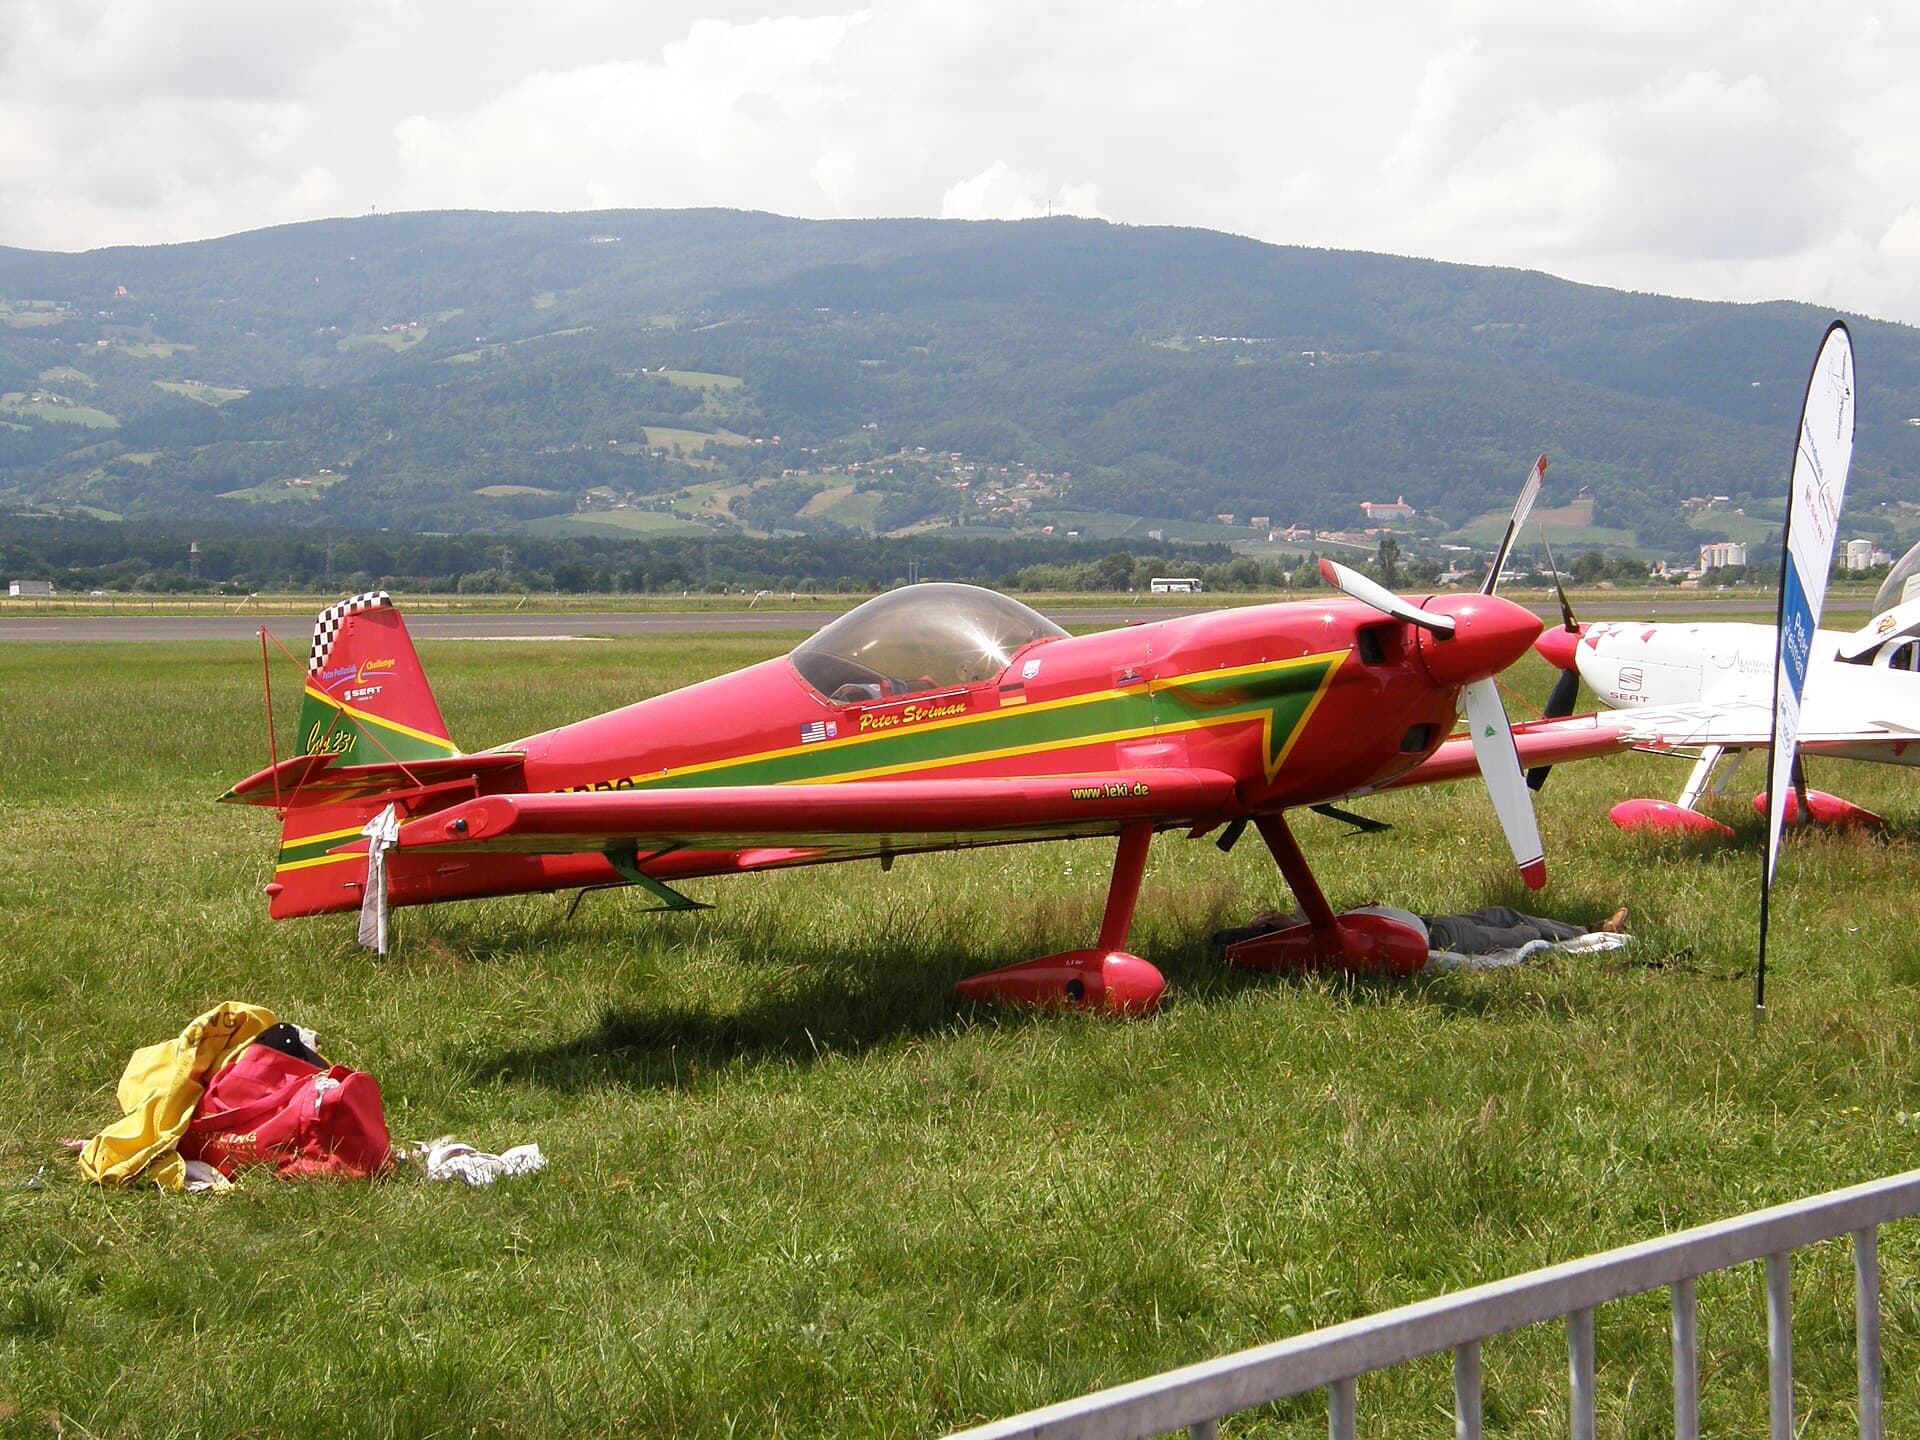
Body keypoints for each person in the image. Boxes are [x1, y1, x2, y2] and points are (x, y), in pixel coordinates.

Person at [1212, 904, 1629, 956]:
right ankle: (1584, 936)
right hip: (1433, 939)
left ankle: (1586, 927)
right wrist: (1283, 925)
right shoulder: (1307, 942)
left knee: (1503, 914)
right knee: (1516, 935)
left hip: (1429, 922)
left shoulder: (1305, 927)